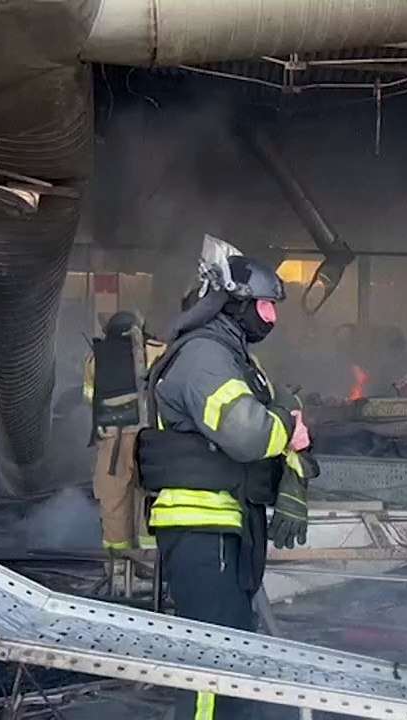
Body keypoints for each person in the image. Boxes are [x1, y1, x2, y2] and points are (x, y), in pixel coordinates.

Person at [135, 237, 315, 720]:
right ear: (234, 305)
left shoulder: (231, 356)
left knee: (232, 651)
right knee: (210, 664)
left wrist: (293, 477)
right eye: (264, 306)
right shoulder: (203, 358)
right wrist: (287, 431)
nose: (272, 318)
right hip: (203, 527)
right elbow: (247, 432)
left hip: (227, 524)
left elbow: (281, 410)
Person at [83, 310, 167, 582]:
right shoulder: (160, 350)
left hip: (112, 441)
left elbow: (89, 397)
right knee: (150, 497)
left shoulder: (95, 358)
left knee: (114, 501)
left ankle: (118, 569)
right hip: (149, 437)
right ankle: (153, 565)